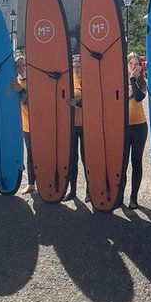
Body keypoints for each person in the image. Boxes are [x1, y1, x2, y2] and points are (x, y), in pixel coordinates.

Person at [122, 52, 148, 209]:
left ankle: (134, 197)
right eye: (130, 64)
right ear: (126, 65)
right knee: (122, 163)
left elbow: (138, 97)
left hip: (139, 126)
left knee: (136, 161)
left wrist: (132, 79)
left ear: (140, 66)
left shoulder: (141, 82)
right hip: (123, 127)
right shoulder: (118, 80)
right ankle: (120, 195)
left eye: (136, 64)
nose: (133, 67)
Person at [13, 50, 37, 193]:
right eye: (18, 66)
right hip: (25, 125)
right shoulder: (15, 82)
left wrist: (20, 91)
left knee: (41, 153)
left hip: (38, 124)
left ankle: (45, 181)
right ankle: (31, 183)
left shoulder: (33, 81)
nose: (21, 68)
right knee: (30, 154)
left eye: (23, 65)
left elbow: (29, 100)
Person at [66, 54, 88, 201]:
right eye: (74, 67)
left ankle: (89, 191)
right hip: (72, 126)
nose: (77, 69)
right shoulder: (68, 81)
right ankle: (72, 191)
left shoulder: (88, 81)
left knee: (87, 159)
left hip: (86, 126)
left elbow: (93, 102)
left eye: (79, 67)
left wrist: (78, 104)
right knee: (72, 159)